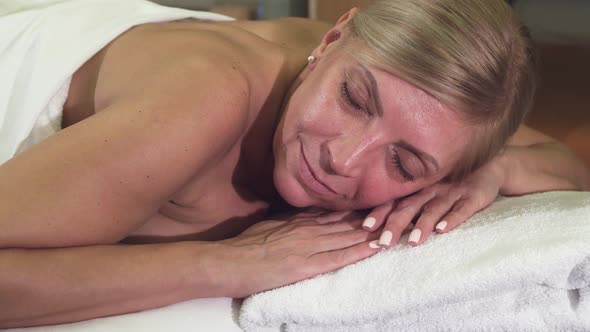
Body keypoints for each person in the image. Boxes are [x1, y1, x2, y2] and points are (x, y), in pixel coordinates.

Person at [0, 0, 588, 328]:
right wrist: (222, 266)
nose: (343, 156)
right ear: (331, 43)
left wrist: (492, 174)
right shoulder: (203, 104)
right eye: (354, 100)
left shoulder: (426, 102)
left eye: (405, 165)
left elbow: (562, 165)